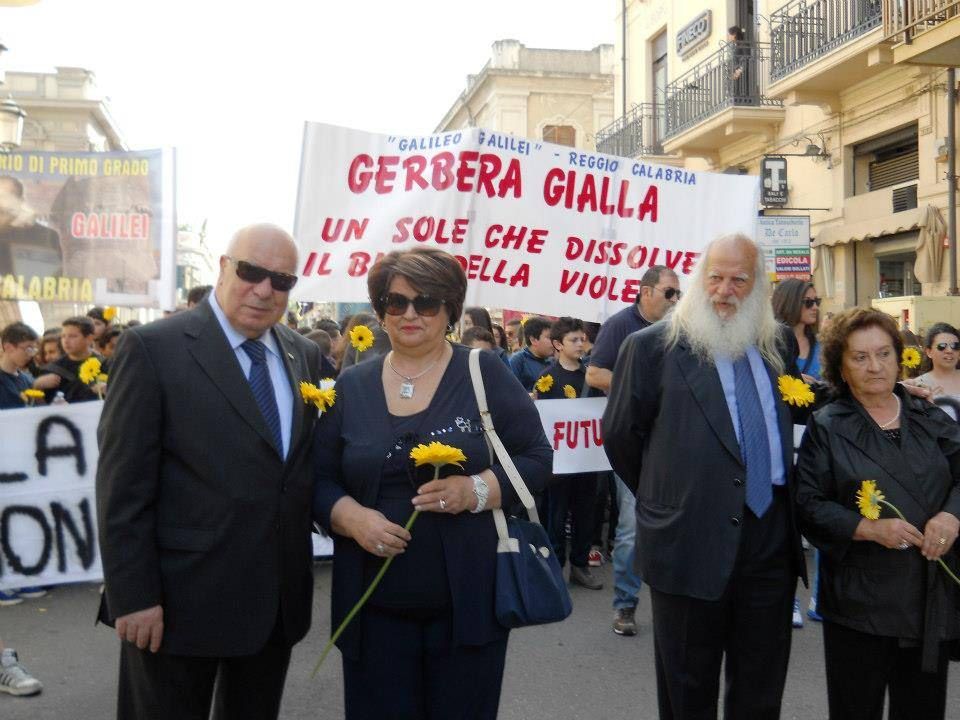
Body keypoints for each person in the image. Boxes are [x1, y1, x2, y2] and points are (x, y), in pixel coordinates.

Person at [95, 223, 323, 720]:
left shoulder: (302, 354)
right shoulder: (152, 348)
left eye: (281, 280)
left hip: (274, 604)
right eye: (251, 272)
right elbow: (121, 487)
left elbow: (301, 469)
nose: (264, 290)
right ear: (223, 268)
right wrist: (132, 596)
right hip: (176, 604)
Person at [313, 247, 552, 719]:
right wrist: (351, 517)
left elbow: (537, 458)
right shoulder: (352, 384)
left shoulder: (484, 374)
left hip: (468, 606)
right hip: (371, 605)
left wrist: (475, 490)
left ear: (449, 310)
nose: (408, 313)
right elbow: (318, 479)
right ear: (380, 309)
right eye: (394, 301)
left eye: (425, 302)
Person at [603, 234, 807, 719]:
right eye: (714, 277)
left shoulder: (776, 341)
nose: (725, 290)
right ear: (699, 279)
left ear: (758, 287)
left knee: (761, 687)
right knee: (686, 689)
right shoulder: (651, 347)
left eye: (739, 279)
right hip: (688, 538)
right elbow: (621, 438)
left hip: (770, 538)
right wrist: (672, 499)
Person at [795, 307, 960, 720]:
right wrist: (867, 527)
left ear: (899, 356)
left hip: (926, 601)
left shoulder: (929, 416)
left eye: (884, 354)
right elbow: (807, 504)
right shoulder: (828, 425)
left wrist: (951, 516)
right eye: (860, 357)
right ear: (841, 366)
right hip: (858, 604)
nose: (875, 367)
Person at [586, 265, 680, 637]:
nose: (676, 301)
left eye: (678, 294)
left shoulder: (681, 328)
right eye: (669, 293)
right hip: (636, 442)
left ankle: (677, 604)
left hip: (675, 443)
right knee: (630, 527)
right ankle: (625, 604)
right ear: (645, 292)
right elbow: (594, 374)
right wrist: (642, 390)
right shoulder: (621, 325)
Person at [533, 316, 601, 590]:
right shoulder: (546, 379)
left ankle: (581, 565)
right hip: (559, 462)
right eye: (574, 340)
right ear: (558, 344)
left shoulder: (591, 376)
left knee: (586, 513)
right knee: (556, 516)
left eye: (582, 339)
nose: (580, 344)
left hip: (587, 458)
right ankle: (555, 566)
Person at [771, 278, 823, 627]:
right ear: (791, 303)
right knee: (785, 520)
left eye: (817, 301)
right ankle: (787, 597)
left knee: (821, 516)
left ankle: (821, 595)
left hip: (819, 436)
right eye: (808, 302)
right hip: (784, 435)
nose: (815, 307)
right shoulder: (773, 342)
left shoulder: (823, 345)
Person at [32, 316, 102, 403]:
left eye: (72, 336)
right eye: (63, 336)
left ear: (89, 338)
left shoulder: (105, 364)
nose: (66, 341)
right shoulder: (52, 370)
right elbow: (41, 407)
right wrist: (37, 386)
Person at [916, 322, 960, 406]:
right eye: (942, 346)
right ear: (929, 352)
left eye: (955, 346)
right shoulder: (918, 386)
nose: (949, 351)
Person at [0, 321, 39, 409]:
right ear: (8, 347)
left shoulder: (28, 379)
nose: (31, 354)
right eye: (28, 348)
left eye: (34, 350)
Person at [508, 316, 554, 392]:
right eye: (549, 337)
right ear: (533, 340)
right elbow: (509, 390)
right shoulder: (517, 360)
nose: (553, 341)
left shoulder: (552, 361)